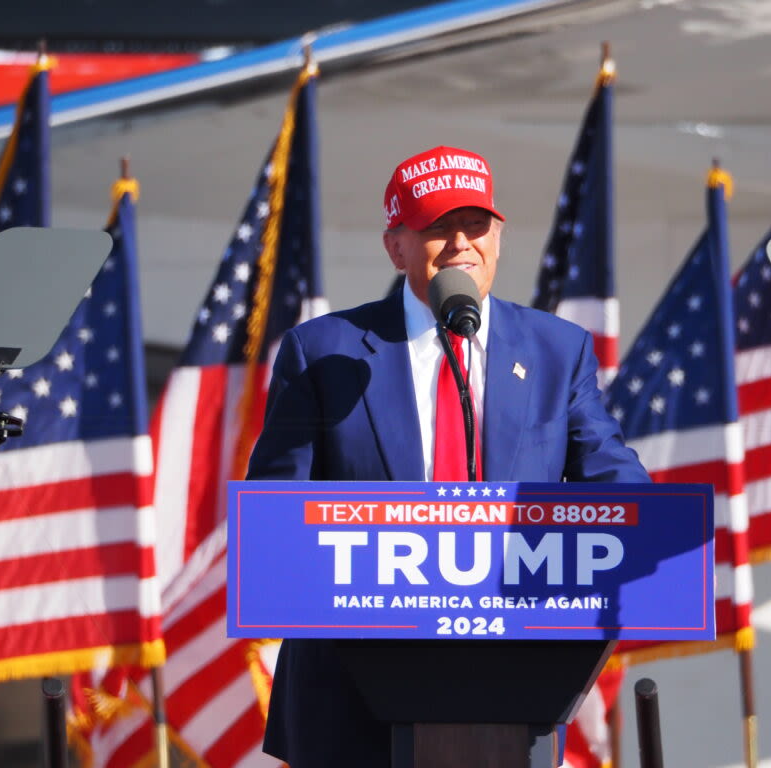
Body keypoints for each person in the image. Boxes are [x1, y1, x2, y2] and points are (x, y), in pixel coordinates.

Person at [249, 145, 651, 766]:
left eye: (476, 225)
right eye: (438, 226)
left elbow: (616, 481)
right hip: (347, 703)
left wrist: (652, 528)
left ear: (499, 237)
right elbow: (274, 521)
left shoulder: (557, 351)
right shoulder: (323, 352)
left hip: (514, 697)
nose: (462, 243)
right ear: (397, 246)